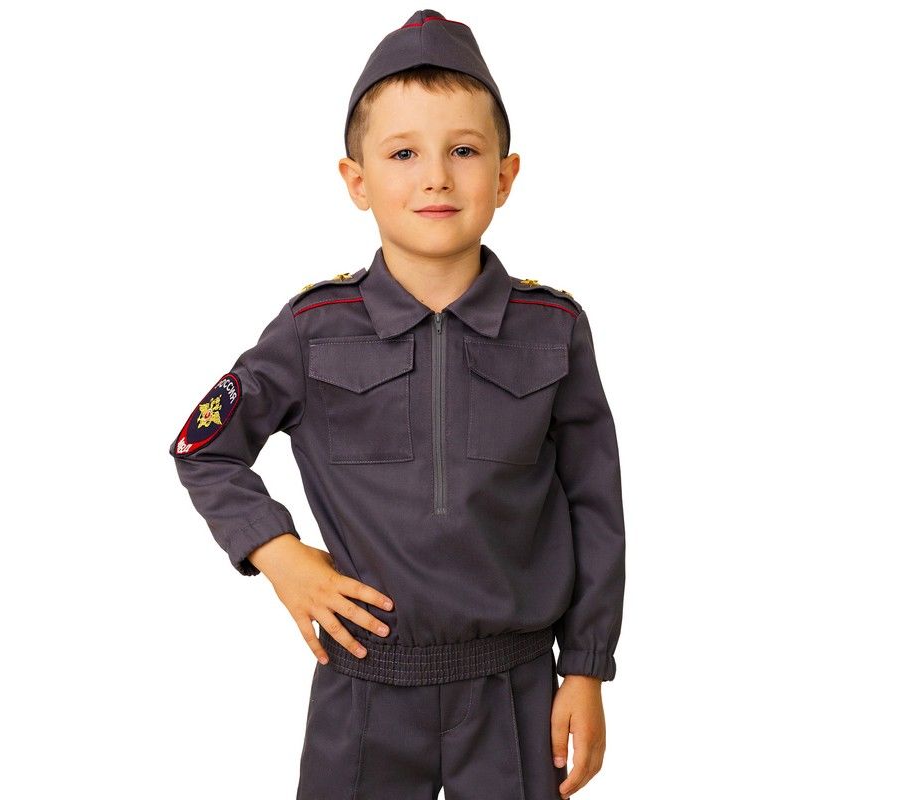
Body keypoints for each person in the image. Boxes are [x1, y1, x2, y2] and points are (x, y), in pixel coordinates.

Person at [167, 9, 626, 799]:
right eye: (404, 153)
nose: (436, 177)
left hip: (514, 689)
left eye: (464, 151)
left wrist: (585, 666)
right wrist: (277, 553)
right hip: (364, 686)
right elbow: (203, 447)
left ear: (506, 176)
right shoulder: (313, 329)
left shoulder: (554, 330)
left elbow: (595, 504)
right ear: (357, 180)